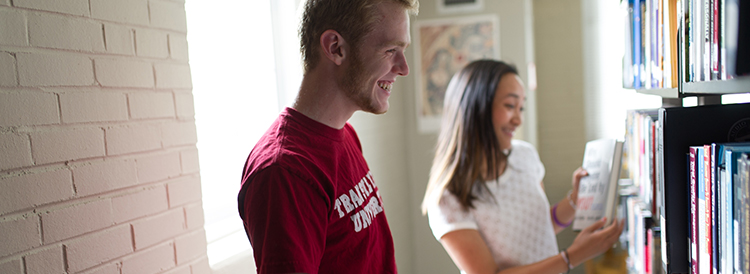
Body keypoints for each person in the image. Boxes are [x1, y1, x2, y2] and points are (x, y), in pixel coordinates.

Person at [237, 0, 419, 273]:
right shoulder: (283, 173)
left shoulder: (345, 135)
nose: (403, 67)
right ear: (336, 48)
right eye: (391, 50)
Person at [421, 59, 625, 274]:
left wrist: (575, 200)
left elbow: (539, 228)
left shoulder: (525, 156)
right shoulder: (448, 196)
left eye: (521, 107)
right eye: (510, 106)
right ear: (476, 108)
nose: (518, 120)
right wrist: (572, 256)